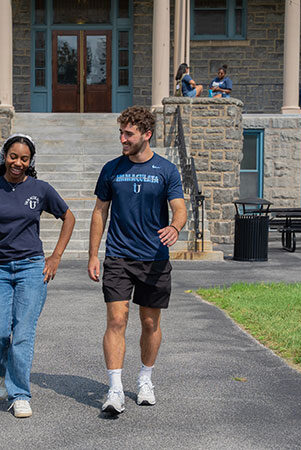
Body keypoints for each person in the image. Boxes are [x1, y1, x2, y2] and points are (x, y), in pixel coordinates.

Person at [0, 133, 75, 418]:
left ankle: (20, 394)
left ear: (30, 161)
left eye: (24, 159)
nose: (18, 163)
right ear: (4, 156)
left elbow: (69, 217)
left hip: (31, 268)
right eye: (13, 156)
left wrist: (56, 256)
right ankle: (1, 372)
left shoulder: (40, 189)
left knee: (23, 333)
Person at [88, 106, 187, 414]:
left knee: (149, 322)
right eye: (121, 133)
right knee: (117, 320)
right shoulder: (111, 169)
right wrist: (94, 254)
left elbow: (180, 208)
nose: (123, 139)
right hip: (118, 256)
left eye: (128, 134)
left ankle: (145, 379)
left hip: (154, 259)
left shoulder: (167, 170)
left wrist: (174, 226)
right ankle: (115, 389)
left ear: (147, 135)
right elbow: (99, 212)